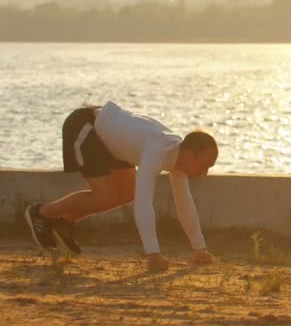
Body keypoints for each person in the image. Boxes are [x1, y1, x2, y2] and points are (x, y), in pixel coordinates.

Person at [24, 101, 218, 271]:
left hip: (114, 143)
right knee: (106, 194)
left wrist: (199, 249)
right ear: (189, 156)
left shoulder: (177, 155)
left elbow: (184, 204)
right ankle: (41, 213)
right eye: (205, 165)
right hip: (86, 126)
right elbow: (144, 204)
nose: (205, 173)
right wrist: (153, 254)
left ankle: (64, 221)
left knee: (126, 193)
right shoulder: (156, 152)